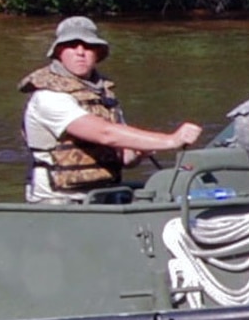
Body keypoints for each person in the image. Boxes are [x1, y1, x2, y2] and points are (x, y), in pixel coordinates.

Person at [20, 16, 203, 204]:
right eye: (72, 45)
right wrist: (171, 140)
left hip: (101, 198)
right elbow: (105, 133)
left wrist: (139, 151)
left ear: (98, 53)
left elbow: (124, 157)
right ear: (59, 51)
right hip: (58, 202)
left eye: (88, 46)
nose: (80, 52)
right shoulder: (49, 96)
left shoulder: (102, 95)